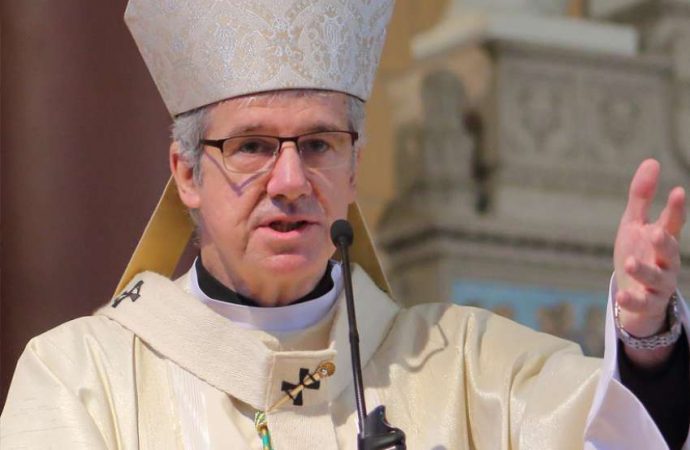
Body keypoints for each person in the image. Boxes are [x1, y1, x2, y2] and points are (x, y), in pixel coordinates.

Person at [1, 1, 689, 449]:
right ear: (186, 174)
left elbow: (622, 433)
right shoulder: (81, 377)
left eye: (320, 145)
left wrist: (646, 334)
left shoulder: (465, 367)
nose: (292, 181)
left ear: (354, 169)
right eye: (252, 147)